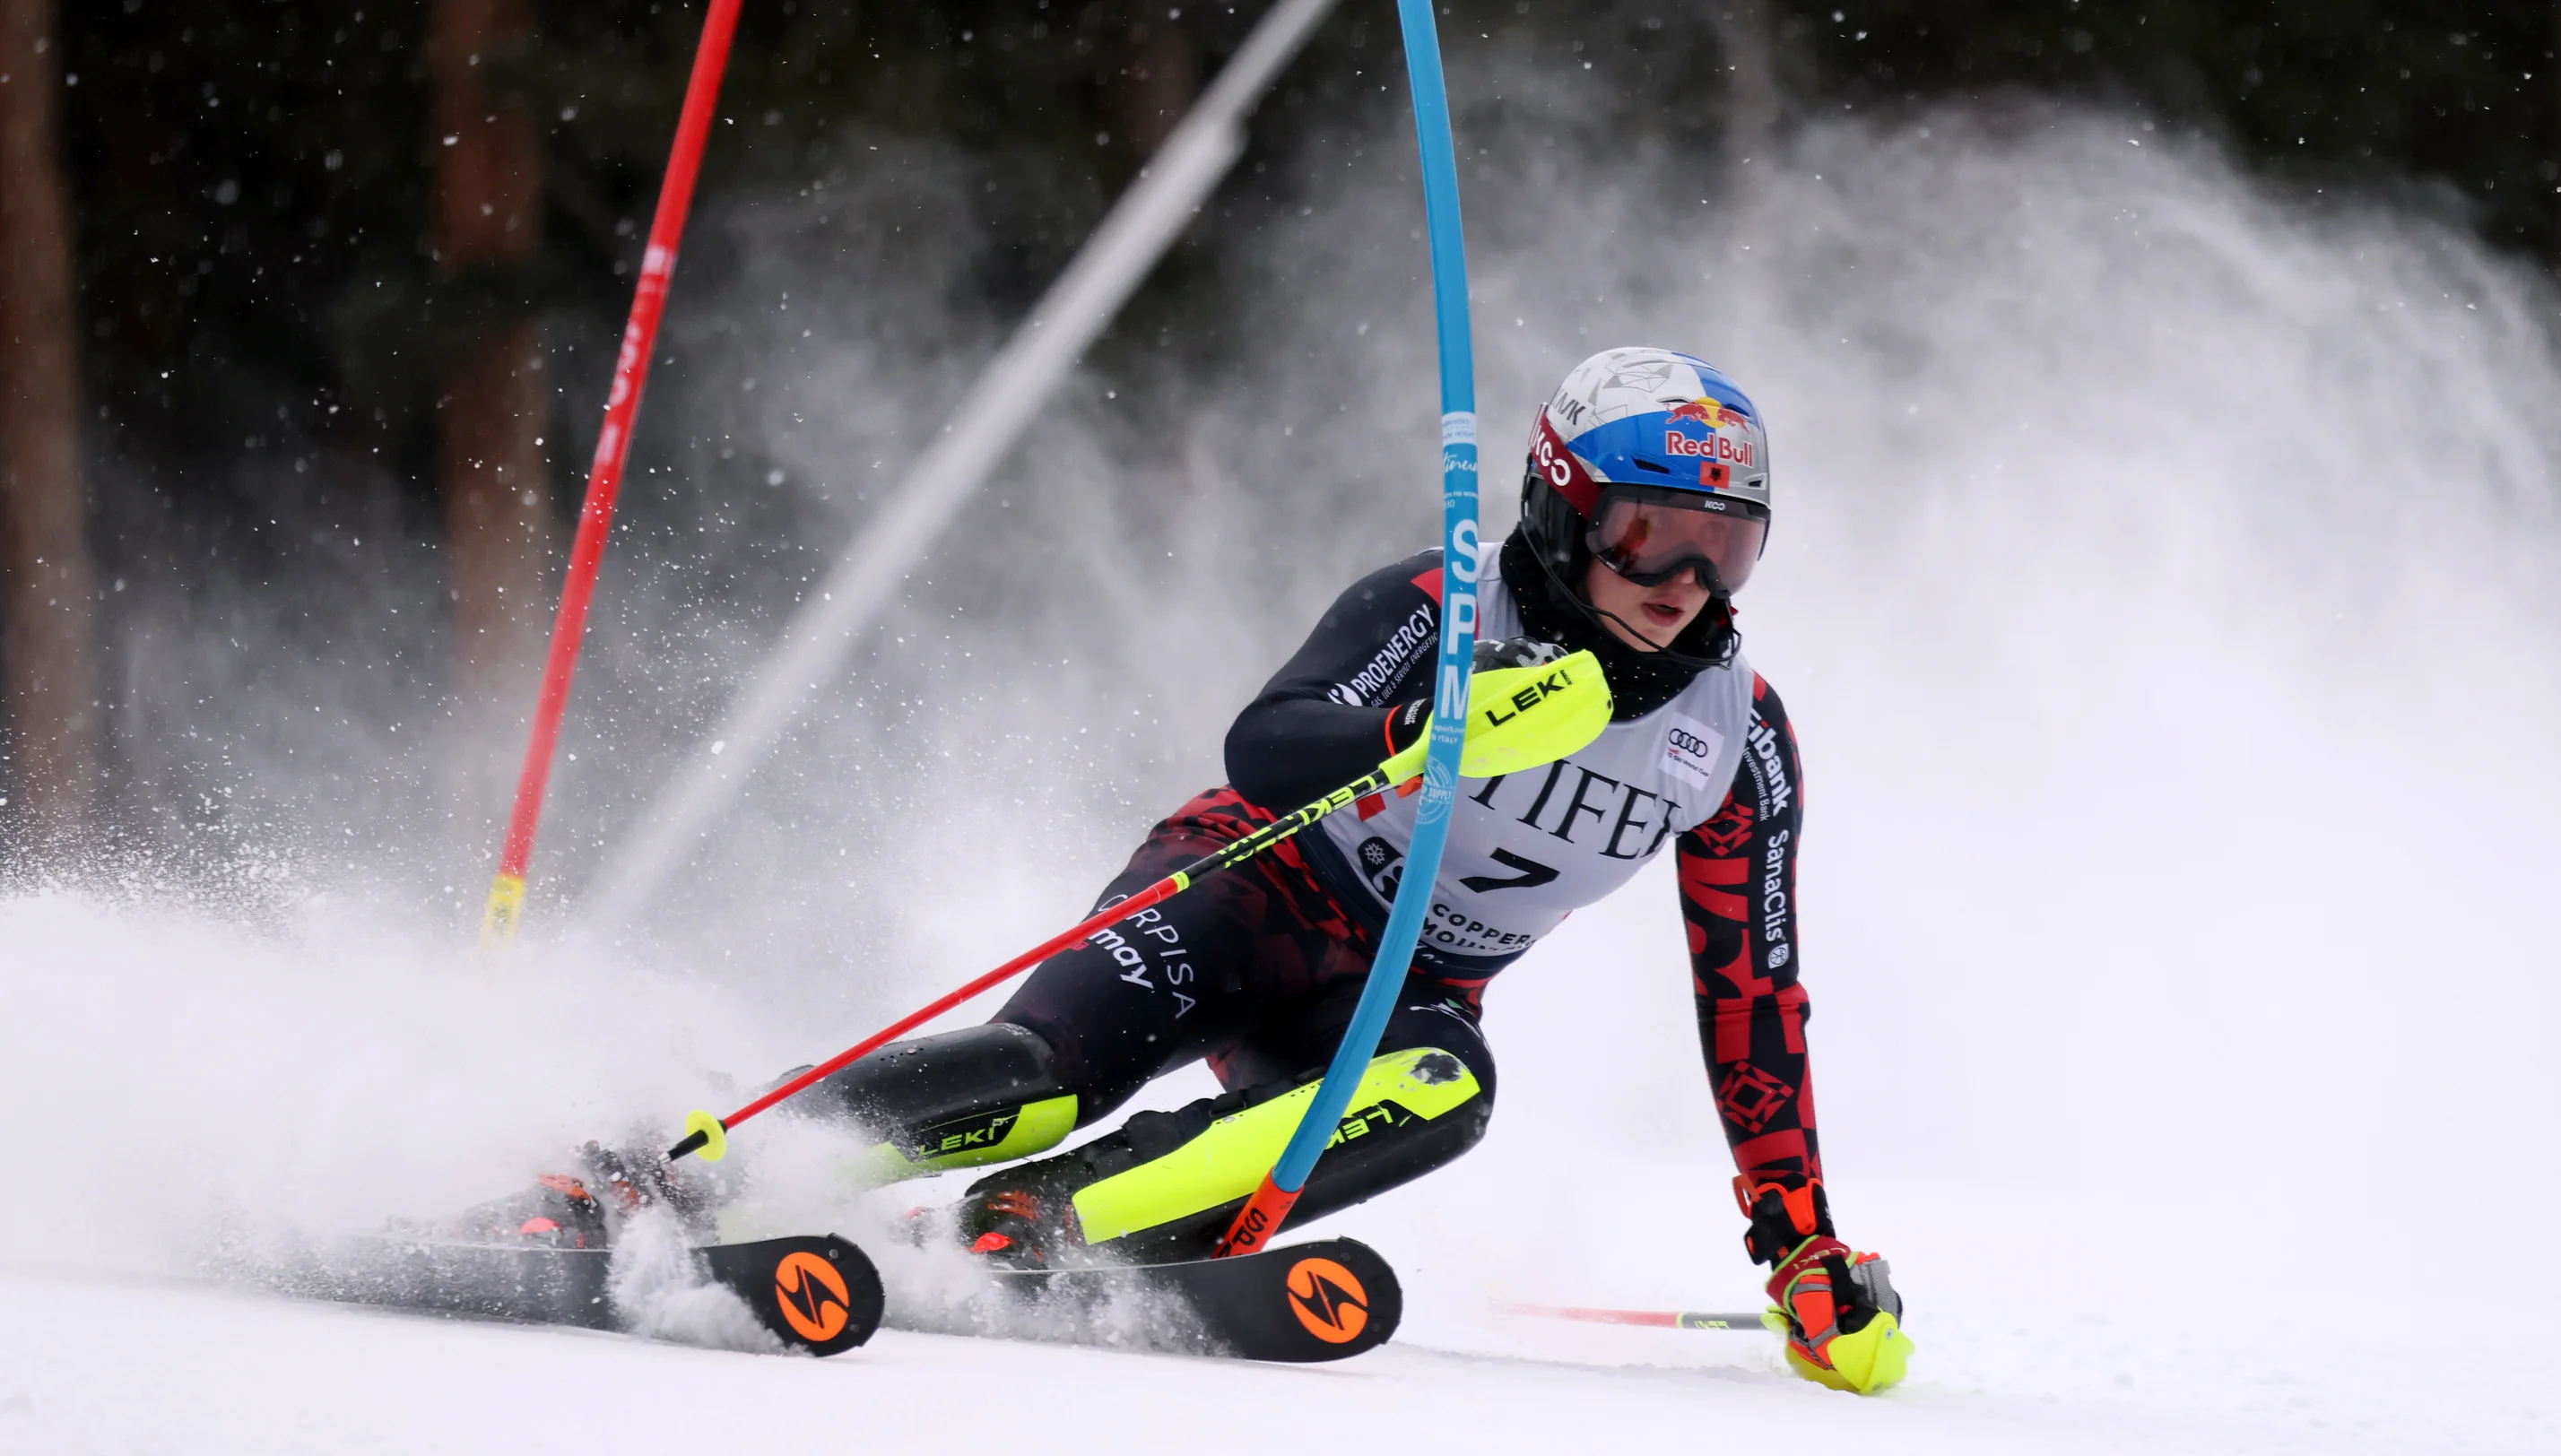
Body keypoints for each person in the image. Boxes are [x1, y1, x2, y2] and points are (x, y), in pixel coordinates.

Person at [498, 347, 1912, 1393]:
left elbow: (1753, 998)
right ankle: (660, 1181)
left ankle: (1038, 1230)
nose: (1689, 589)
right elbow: (1273, 741)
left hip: (1402, 988)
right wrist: (1432, 730)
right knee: (1037, 1076)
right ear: (1565, 510)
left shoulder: (1736, 743)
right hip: (1250, 888)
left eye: (1730, 552)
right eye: (1654, 537)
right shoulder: (1441, 606)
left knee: (1445, 1087)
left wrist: (1802, 1248)